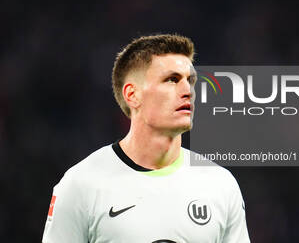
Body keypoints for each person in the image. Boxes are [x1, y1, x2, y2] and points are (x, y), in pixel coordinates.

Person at [42, 34, 250, 242]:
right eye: (172, 80)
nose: (188, 91)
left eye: (191, 81)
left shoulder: (220, 185)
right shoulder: (81, 185)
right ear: (132, 95)